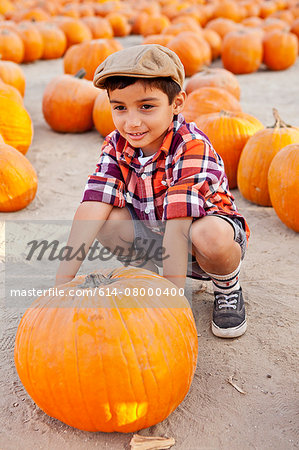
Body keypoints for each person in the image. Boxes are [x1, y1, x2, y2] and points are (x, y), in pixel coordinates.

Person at [55, 44, 250, 338]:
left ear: (177, 103)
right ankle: (145, 277)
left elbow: (179, 225)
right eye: (120, 107)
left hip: (200, 238)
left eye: (146, 106)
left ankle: (227, 287)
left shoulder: (191, 145)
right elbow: (92, 204)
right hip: (157, 234)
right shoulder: (116, 145)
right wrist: (62, 284)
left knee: (208, 235)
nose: (131, 122)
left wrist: (171, 303)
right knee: (108, 216)